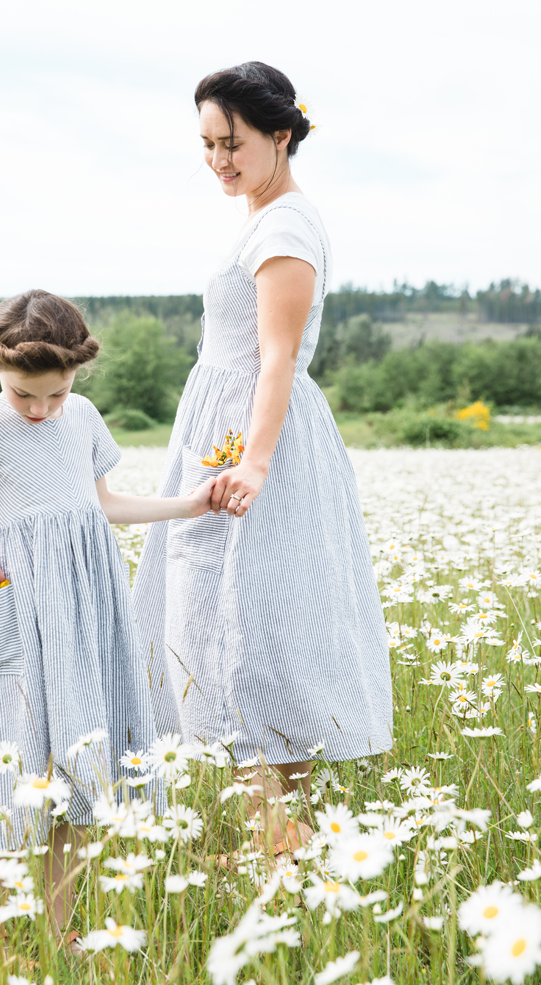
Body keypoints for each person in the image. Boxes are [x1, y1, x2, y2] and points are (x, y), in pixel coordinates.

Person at [132, 62, 393, 857]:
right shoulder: (265, 215)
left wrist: (254, 462)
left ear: (281, 135)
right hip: (230, 437)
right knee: (239, 628)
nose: (218, 160)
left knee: (248, 636)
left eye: (233, 143)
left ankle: (281, 845)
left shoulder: (283, 225)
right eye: (208, 145)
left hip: (252, 446)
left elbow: (276, 357)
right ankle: (280, 842)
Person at [0, 289, 215, 947]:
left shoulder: (85, 417)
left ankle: (57, 930)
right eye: (25, 394)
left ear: (76, 374)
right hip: (13, 604)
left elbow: (102, 504)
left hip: (85, 611)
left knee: (80, 754)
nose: (41, 409)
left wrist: (188, 505)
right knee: (11, 754)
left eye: (56, 394)